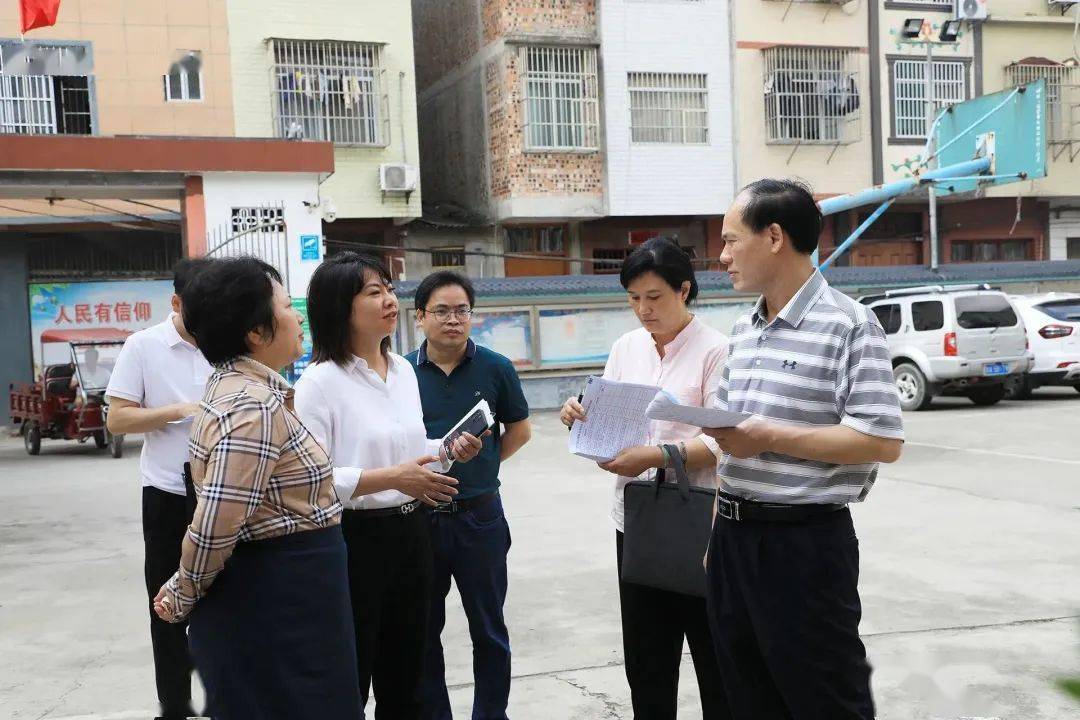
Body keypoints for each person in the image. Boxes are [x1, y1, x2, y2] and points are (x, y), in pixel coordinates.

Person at [703, 179, 904, 720]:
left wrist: (767, 435)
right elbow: (726, 436)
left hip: (804, 546)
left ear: (773, 236)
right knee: (745, 696)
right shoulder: (742, 332)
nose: (720, 256)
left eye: (729, 240)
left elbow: (881, 440)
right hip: (732, 539)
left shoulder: (849, 324)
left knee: (823, 698)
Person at [152, 257, 362, 720]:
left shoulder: (251, 394)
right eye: (288, 306)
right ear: (256, 331)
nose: (299, 316)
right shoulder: (250, 408)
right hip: (276, 603)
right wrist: (183, 591)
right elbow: (215, 524)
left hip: (292, 596)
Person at [293, 252, 485, 720]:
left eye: (389, 289)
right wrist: (395, 478)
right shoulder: (319, 383)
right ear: (340, 307)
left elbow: (408, 448)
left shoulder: (401, 371)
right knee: (351, 674)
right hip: (353, 542)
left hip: (412, 533)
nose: (390, 300)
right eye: (374, 292)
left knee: (408, 677)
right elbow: (309, 480)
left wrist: (446, 449)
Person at [559, 237, 731, 720]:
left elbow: (723, 442)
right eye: (634, 298)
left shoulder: (716, 351)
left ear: (684, 290)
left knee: (714, 656)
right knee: (646, 659)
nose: (642, 309)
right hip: (636, 519)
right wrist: (583, 417)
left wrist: (657, 455)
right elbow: (616, 419)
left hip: (701, 521)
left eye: (654, 297)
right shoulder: (626, 347)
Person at [406, 271, 532, 720]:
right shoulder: (401, 372)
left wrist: (485, 465)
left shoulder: (495, 367)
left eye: (462, 310)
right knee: (423, 630)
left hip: (480, 516)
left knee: (489, 628)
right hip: (421, 517)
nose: (453, 319)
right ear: (420, 316)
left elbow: (519, 429)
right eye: (441, 310)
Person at [105, 258, 213, 720]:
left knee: (224, 600)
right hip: (168, 493)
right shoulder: (143, 346)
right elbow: (118, 418)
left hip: (221, 494)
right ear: (176, 302)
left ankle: (223, 699)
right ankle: (175, 705)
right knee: (168, 603)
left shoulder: (226, 341)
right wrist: (177, 410)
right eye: (200, 307)